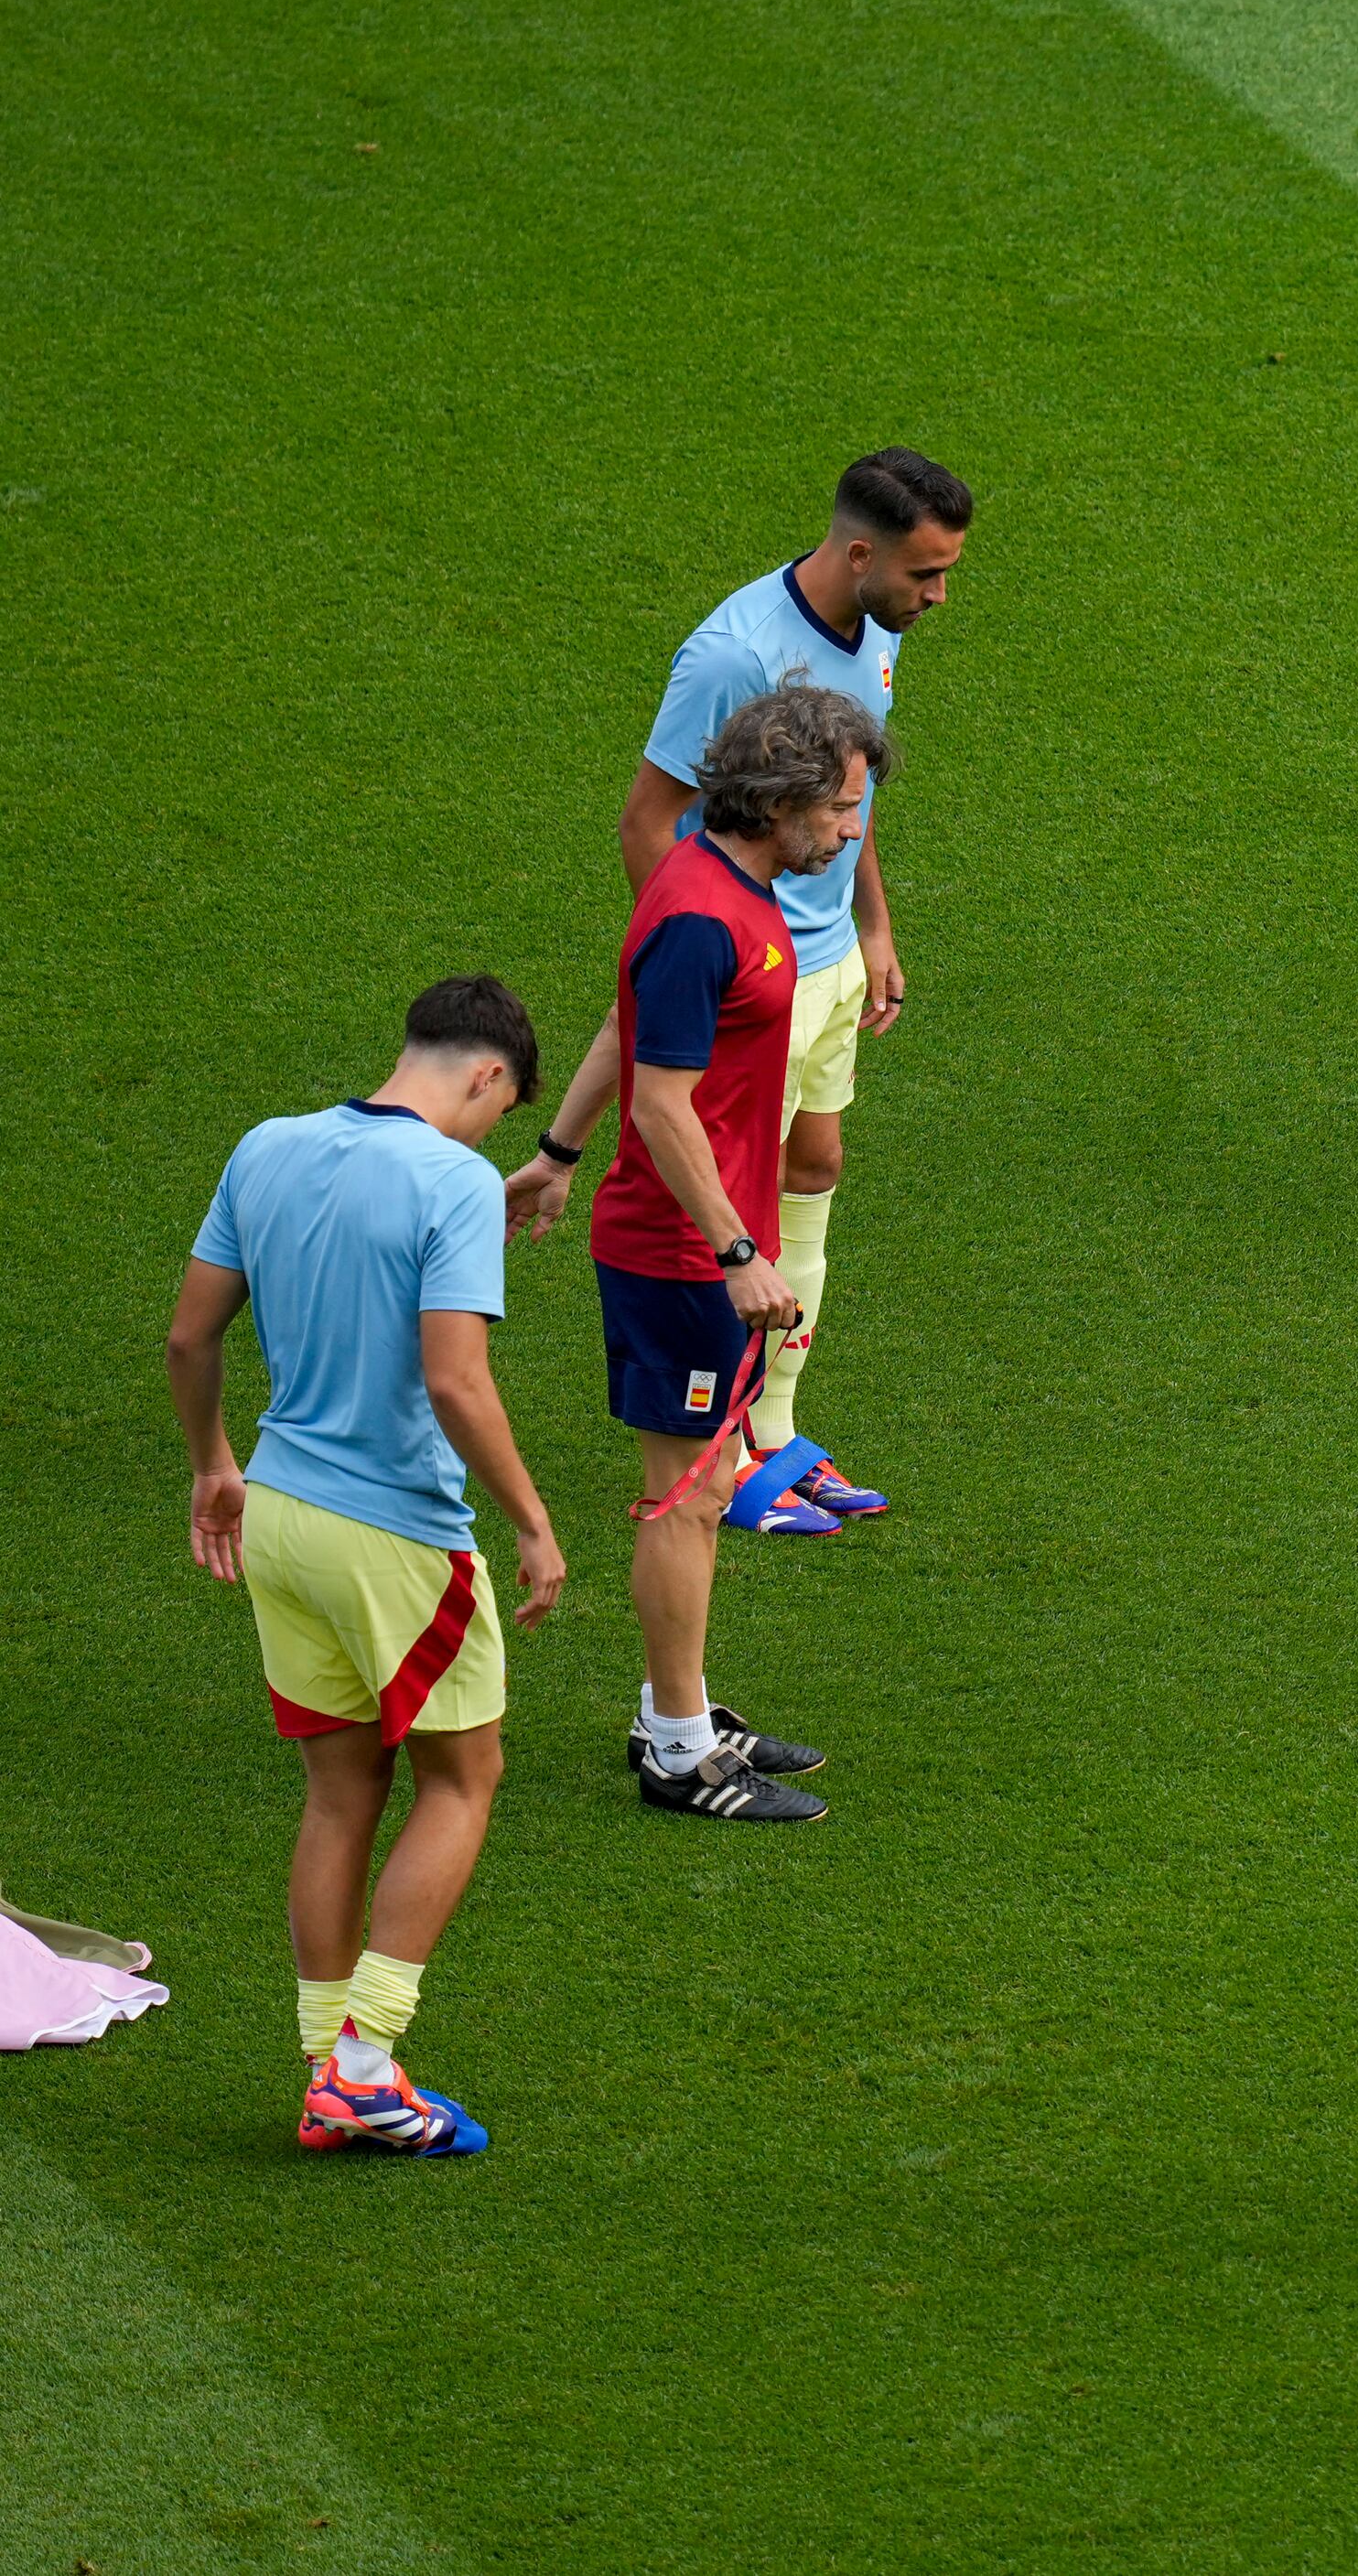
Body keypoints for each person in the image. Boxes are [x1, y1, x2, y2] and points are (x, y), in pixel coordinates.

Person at [166, 976, 571, 2152]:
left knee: (342, 1793)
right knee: (464, 1778)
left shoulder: (269, 1146)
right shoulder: (448, 1180)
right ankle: (366, 2064)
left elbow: (191, 1334)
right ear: (490, 1076)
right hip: (392, 1534)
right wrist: (534, 1523)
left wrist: (212, 1465)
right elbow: (454, 1381)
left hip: (280, 1514)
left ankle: (327, 2068)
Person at [517, 685, 884, 1821]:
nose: (851, 832)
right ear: (778, 802)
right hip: (681, 1256)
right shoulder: (698, 916)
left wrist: (554, 1149)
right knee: (684, 1499)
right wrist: (732, 1246)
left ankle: (676, 1707)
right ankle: (677, 1750)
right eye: (840, 810)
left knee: (708, 1480)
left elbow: (630, 1028)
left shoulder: (734, 889)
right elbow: (665, 1102)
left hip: (707, 1245)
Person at [609, 449, 971, 1532]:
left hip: (827, 962)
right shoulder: (734, 658)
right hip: (749, 974)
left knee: (814, 1164)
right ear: (862, 553)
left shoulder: (880, 626)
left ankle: (775, 1431)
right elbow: (645, 819)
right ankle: (724, 1446)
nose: (936, 597)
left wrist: (874, 923)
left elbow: (841, 796)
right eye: (924, 573)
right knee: (734, 1207)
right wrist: (703, 960)